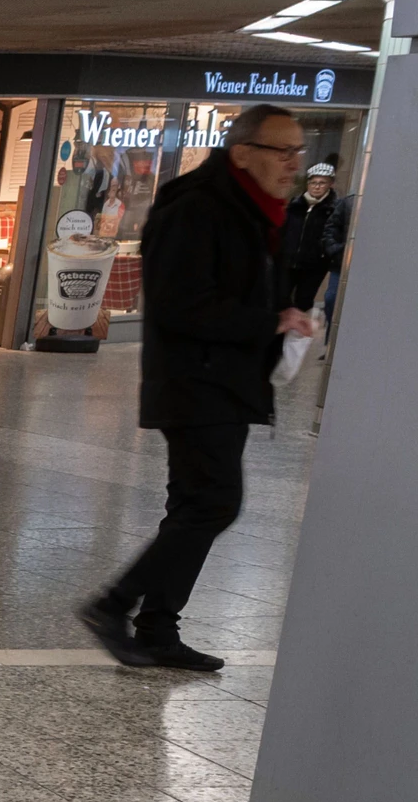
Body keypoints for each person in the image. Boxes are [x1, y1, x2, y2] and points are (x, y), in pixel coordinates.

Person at [78, 102, 314, 674]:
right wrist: (270, 322)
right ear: (243, 153)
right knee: (213, 502)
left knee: (193, 504)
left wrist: (278, 312)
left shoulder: (254, 210)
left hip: (224, 380)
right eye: (283, 151)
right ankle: (112, 605)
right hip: (196, 381)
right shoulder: (198, 207)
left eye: (298, 152)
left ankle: (158, 628)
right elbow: (181, 305)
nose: (294, 164)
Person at [284, 160, 351, 313]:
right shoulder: (295, 204)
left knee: (304, 301)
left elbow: (335, 233)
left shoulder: (334, 208)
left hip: (315, 265)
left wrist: (329, 252)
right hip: (289, 260)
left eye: (322, 182)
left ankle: (297, 335)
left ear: (330, 184)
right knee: (281, 299)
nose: (317, 186)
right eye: (313, 182)